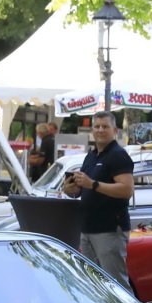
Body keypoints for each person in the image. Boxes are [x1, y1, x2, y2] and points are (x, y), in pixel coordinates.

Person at [62, 113, 134, 285]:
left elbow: (126, 190)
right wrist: (71, 190)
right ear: (92, 130)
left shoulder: (118, 155)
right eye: (97, 126)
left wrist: (93, 184)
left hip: (109, 230)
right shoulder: (91, 156)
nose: (100, 130)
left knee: (115, 283)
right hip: (87, 229)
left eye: (105, 126)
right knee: (93, 285)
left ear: (115, 130)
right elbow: (84, 189)